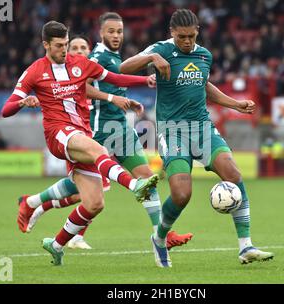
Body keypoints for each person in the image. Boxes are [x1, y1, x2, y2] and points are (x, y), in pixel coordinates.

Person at [121, 9, 274, 267]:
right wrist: (153, 57)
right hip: (172, 130)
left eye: (192, 36)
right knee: (182, 195)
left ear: (198, 32)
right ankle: (159, 238)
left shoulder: (204, 55)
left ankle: (245, 246)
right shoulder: (162, 49)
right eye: (182, 37)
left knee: (234, 174)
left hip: (202, 128)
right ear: (172, 33)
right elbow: (123, 67)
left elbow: (204, 85)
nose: (188, 42)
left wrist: (234, 104)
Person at [1, 21, 160, 266]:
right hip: (58, 134)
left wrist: (146, 80)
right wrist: (23, 102)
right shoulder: (35, 71)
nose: (64, 51)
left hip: (81, 133)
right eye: (59, 46)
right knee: (100, 150)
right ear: (45, 45)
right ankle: (135, 186)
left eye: (66, 45)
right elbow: (6, 109)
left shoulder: (81, 65)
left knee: (94, 204)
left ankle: (55, 244)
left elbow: (115, 78)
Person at [23, 29, 192, 251]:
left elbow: (115, 79)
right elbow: (83, 87)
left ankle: (161, 234)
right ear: (102, 33)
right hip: (94, 130)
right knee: (85, 192)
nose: (117, 35)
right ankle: (37, 204)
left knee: (145, 179)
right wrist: (112, 97)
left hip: (119, 128)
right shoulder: (93, 60)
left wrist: (141, 83)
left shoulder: (112, 57)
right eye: (112, 31)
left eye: (121, 31)